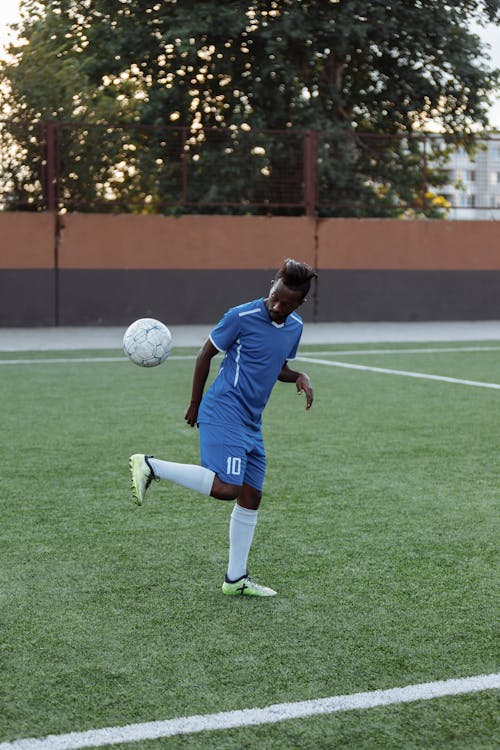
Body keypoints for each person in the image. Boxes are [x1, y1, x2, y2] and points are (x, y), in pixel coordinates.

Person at [129, 258, 317, 597]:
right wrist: (195, 403)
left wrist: (299, 376)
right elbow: (205, 355)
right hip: (223, 409)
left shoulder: (295, 327)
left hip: (251, 421)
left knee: (251, 495)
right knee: (227, 487)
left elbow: (276, 367)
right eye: (275, 296)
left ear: (299, 304)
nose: (277, 305)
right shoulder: (240, 317)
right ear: (271, 287)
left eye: (287, 303)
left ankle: (235, 579)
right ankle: (150, 465)